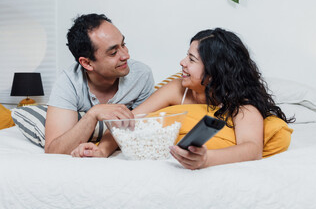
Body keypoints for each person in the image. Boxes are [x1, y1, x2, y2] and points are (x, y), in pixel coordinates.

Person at [71, 28, 294, 170]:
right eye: (186, 55)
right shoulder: (178, 89)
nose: (182, 63)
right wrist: (102, 150)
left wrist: (205, 159)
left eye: (191, 59)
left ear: (216, 70)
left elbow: (251, 149)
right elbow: (129, 121)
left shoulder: (241, 105)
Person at [44, 13, 155, 156]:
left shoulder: (141, 75)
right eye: (113, 52)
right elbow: (54, 151)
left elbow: (145, 128)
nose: (126, 55)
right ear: (87, 63)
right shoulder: (68, 83)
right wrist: (93, 114)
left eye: (123, 44)